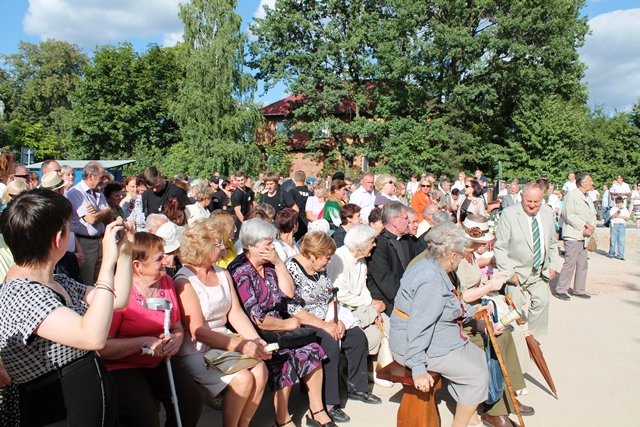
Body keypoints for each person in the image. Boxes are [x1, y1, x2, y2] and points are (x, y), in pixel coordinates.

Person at [0, 189, 132, 427]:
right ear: (57, 239)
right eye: (69, 226)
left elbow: (116, 300)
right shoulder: (20, 293)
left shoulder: (55, 281)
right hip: (59, 411)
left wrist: (124, 252)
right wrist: (107, 263)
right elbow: (92, 337)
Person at [227, 219, 335, 427]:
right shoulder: (240, 270)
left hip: (279, 326)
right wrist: (288, 325)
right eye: (268, 244)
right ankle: (283, 419)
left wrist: (278, 263)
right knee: (284, 359)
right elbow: (257, 319)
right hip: (256, 332)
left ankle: (317, 410)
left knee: (312, 350)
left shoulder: (269, 266)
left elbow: (289, 293)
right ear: (252, 246)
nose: (272, 248)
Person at [100, 232, 204, 427]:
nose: (166, 261)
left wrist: (176, 339)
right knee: (145, 419)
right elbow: (102, 347)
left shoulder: (166, 282)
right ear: (137, 266)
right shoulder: (119, 292)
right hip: (122, 366)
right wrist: (144, 342)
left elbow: (176, 325)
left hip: (157, 362)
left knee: (191, 401)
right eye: (159, 258)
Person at [390, 222, 488, 427]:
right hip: (414, 346)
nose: (461, 260)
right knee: (477, 375)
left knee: (479, 357)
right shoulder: (431, 279)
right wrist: (418, 368)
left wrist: (473, 312)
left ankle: (468, 412)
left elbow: (446, 306)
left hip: (435, 335)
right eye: (461, 256)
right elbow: (419, 327)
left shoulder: (430, 264)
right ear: (452, 256)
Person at [174, 220, 269, 427]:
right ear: (202, 246)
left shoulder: (222, 273)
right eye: (218, 243)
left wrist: (256, 341)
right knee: (242, 379)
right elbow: (197, 331)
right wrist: (242, 345)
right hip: (197, 349)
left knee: (261, 371)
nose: (224, 247)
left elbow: (235, 313)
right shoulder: (184, 281)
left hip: (225, 342)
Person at [287, 232, 381, 422]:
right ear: (312, 255)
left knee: (356, 336)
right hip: (304, 321)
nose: (329, 261)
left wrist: (336, 320)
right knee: (329, 345)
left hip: (325, 316)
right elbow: (293, 308)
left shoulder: (319, 268)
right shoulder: (292, 269)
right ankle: (328, 403)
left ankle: (357, 387)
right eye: (326, 257)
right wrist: (324, 325)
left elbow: (330, 296)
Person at [454, 217, 533, 426]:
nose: (483, 246)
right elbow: (462, 296)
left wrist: (492, 280)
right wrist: (490, 286)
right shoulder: (458, 257)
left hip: (476, 312)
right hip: (463, 319)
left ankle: (510, 395)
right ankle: (495, 410)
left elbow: (474, 285)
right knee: (496, 340)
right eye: (481, 242)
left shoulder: (470, 255)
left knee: (507, 334)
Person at [328, 225, 392, 387]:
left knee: (388, 324)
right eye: (371, 242)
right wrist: (369, 305)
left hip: (360, 304)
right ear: (359, 246)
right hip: (343, 308)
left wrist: (371, 306)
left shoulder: (361, 258)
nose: (374, 245)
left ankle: (378, 367)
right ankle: (359, 370)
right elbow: (341, 295)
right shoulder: (338, 259)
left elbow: (363, 287)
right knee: (372, 336)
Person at [494, 182, 559, 336]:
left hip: (539, 271)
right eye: (529, 201)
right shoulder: (509, 214)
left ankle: (534, 338)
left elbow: (552, 243)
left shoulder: (547, 213)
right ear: (521, 196)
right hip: (516, 270)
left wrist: (553, 265)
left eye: (537, 202)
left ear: (542, 199)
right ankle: (511, 338)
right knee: (513, 308)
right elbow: (500, 247)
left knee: (542, 303)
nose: (532, 205)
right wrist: (509, 273)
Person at [66, 162, 113, 286]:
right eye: (101, 177)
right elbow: (92, 219)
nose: (103, 181)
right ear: (90, 176)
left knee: (99, 280)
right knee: (87, 282)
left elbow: (109, 218)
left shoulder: (98, 193)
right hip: (85, 243)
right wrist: (105, 211)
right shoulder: (77, 192)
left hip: (99, 241)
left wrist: (102, 213)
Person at [366, 201, 416, 317]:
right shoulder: (378, 245)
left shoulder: (408, 240)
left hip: (410, 296)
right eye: (406, 218)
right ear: (394, 221)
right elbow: (386, 281)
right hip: (389, 303)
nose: (408, 221)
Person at [554, 173, 597, 300]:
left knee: (583, 264)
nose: (592, 183)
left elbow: (593, 215)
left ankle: (579, 290)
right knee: (570, 263)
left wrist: (591, 227)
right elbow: (569, 215)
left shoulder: (588, 197)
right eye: (590, 180)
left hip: (585, 236)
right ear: (582, 183)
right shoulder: (572, 195)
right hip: (573, 235)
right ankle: (561, 290)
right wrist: (585, 225)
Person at [283, 170, 311, 240]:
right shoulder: (310, 193)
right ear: (304, 179)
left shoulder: (292, 192)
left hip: (296, 222)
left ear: (294, 179)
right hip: (308, 223)